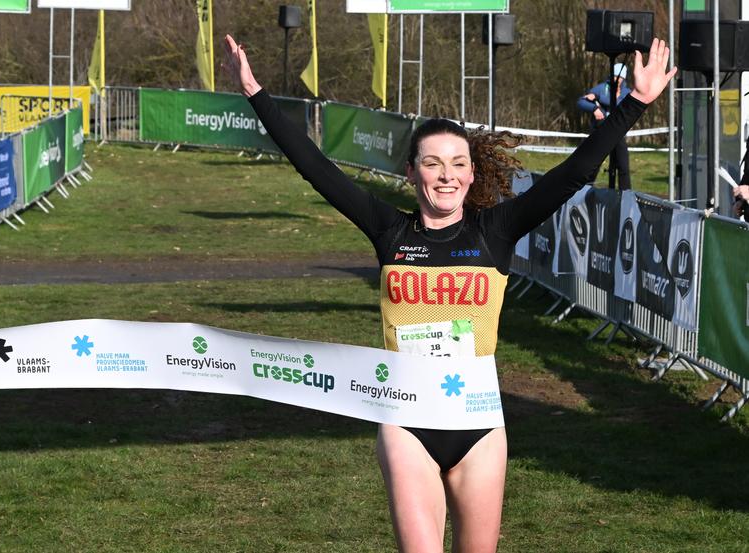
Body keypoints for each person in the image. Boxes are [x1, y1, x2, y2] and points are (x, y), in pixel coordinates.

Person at [223, 34, 675, 552]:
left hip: (479, 425)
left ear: (472, 173)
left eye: (458, 163)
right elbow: (316, 167)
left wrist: (635, 103)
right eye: (433, 163)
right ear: (411, 172)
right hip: (407, 422)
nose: (446, 175)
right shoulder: (389, 230)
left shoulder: (496, 231)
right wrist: (256, 91)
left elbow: (573, 174)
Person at [577, 62, 632, 190]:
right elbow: (581, 102)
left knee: (623, 166)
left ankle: (626, 194)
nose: (616, 80)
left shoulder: (626, 92)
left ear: (623, 78)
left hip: (618, 133)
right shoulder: (601, 88)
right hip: (601, 132)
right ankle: (585, 190)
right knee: (593, 165)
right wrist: (595, 108)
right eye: (613, 77)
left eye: (619, 78)